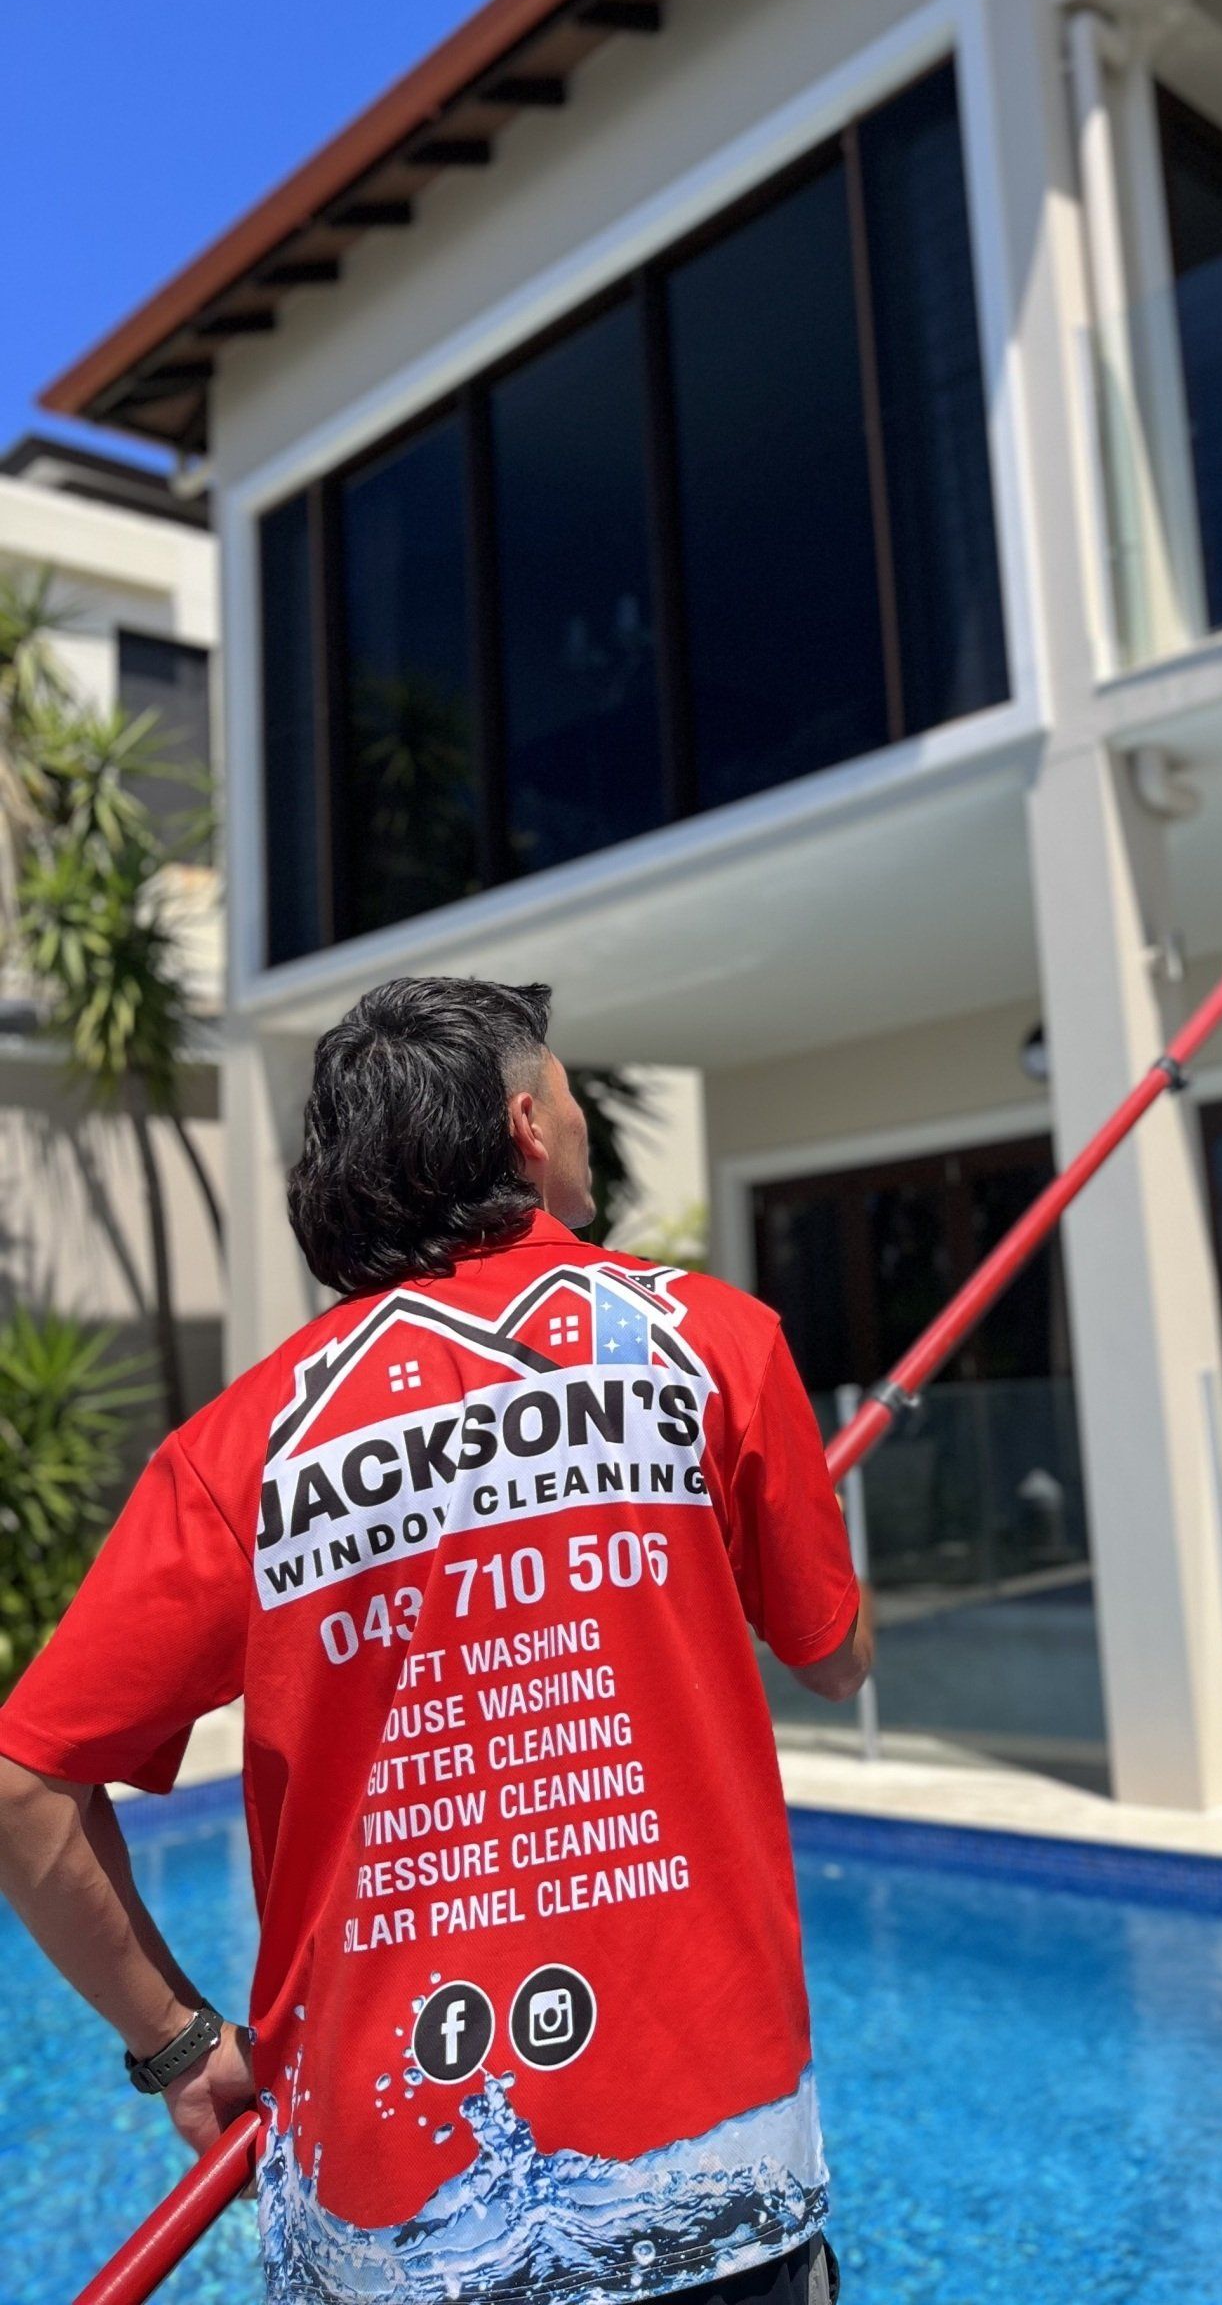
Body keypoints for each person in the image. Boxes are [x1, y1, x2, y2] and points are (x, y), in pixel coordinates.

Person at [0, 976, 872, 2305]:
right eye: (573, 1093)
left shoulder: (241, 1450)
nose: (584, 1118)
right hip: (719, 2181)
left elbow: (25, 1788)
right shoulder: (712, 1348)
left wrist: (179, 2048)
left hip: (390, 2213)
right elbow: (834, 1656)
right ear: (528, 1125)